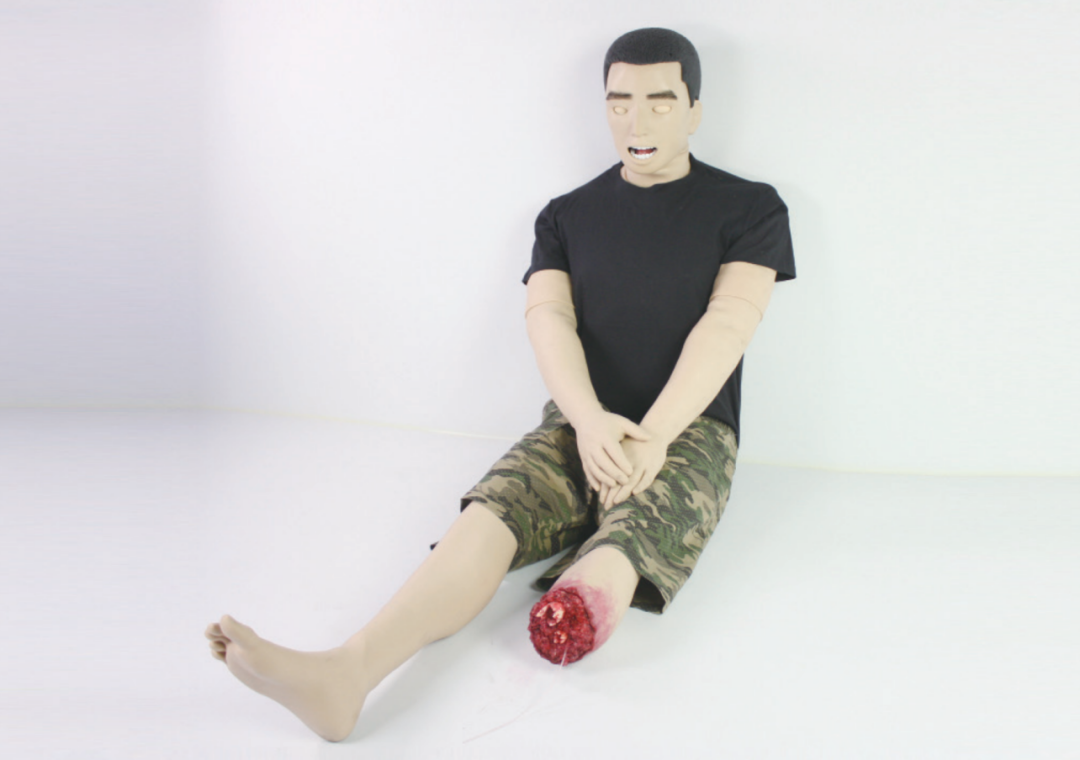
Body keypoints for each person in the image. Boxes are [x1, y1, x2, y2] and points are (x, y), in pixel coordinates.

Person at [205, 27, 795, 742]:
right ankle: (347, 672)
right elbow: (549, 320)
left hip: (690, 431)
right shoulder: (565, 216)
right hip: (578, 421)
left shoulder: (750, 208)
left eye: (660, 101)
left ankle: (576, 609)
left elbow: (728, 325)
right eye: (619, 102)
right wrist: (588, 421)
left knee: (629, 541)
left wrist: (655, 436)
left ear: (695, 109)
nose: (636, 121)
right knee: (491, 512)